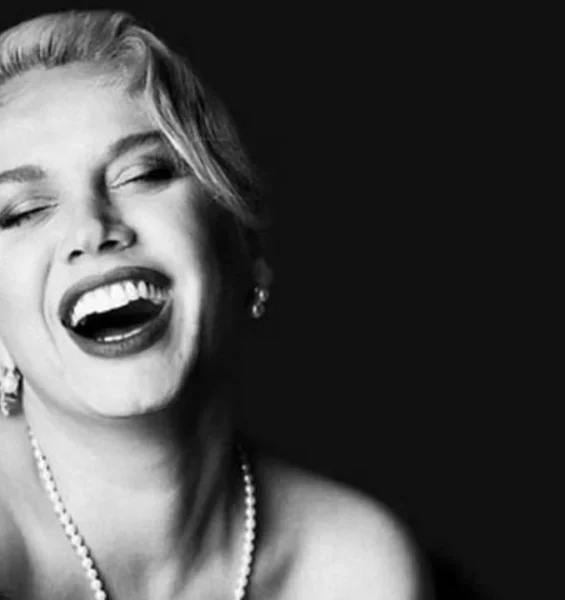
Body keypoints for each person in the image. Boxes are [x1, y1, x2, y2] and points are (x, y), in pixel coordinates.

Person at [0, 9, 432, 600]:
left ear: (244, 244)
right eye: (23, 211)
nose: (92, 229)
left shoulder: (356, 568)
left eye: (143, 174)